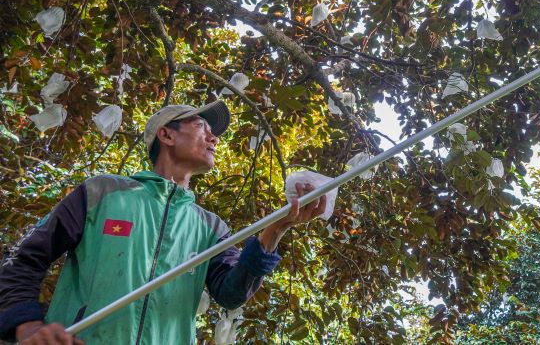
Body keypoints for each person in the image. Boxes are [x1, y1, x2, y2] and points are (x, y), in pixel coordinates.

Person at [0, 101, 327, 344]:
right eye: (202, 126)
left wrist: (277, 229)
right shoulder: (103, 192)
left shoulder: (210, 227)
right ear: (167, 134)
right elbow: (24, 257)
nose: (214, 138)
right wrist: (27, 325)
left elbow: (231, 294)